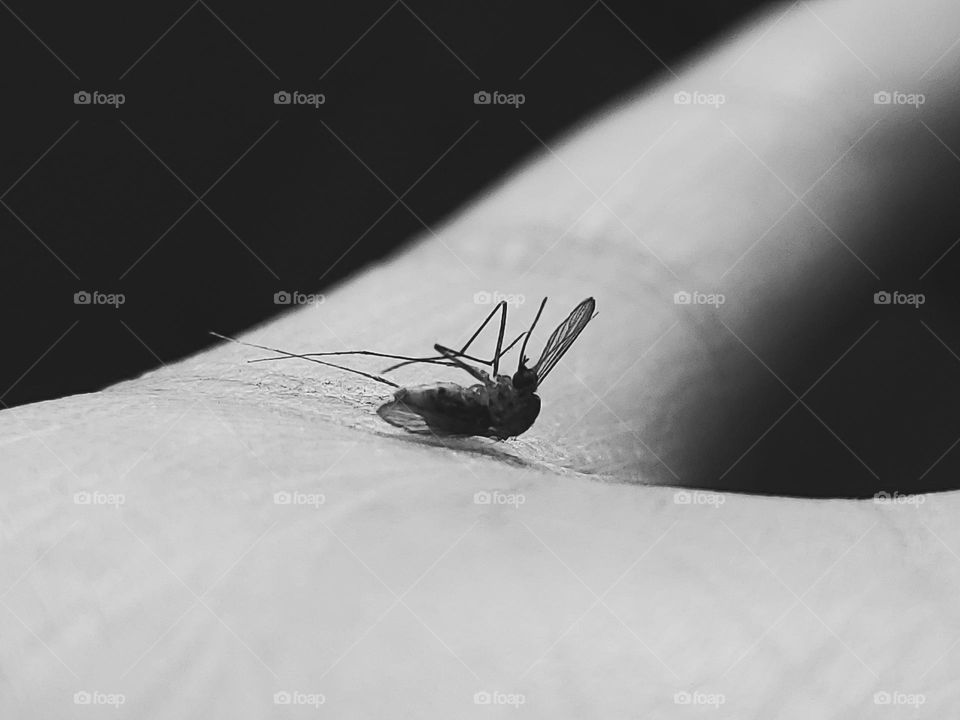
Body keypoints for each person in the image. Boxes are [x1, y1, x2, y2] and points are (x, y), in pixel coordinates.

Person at [3, 0, 958, 714]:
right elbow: (537, 336)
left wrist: (491, 385)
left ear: (507, 395)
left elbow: (525, 352)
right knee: (449, 345)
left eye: (511, 370)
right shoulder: (507, 383)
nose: (509, 360)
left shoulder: (500, 398)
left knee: (438, 352)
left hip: (481, 417)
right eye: (512, 368)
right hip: (482, 413)